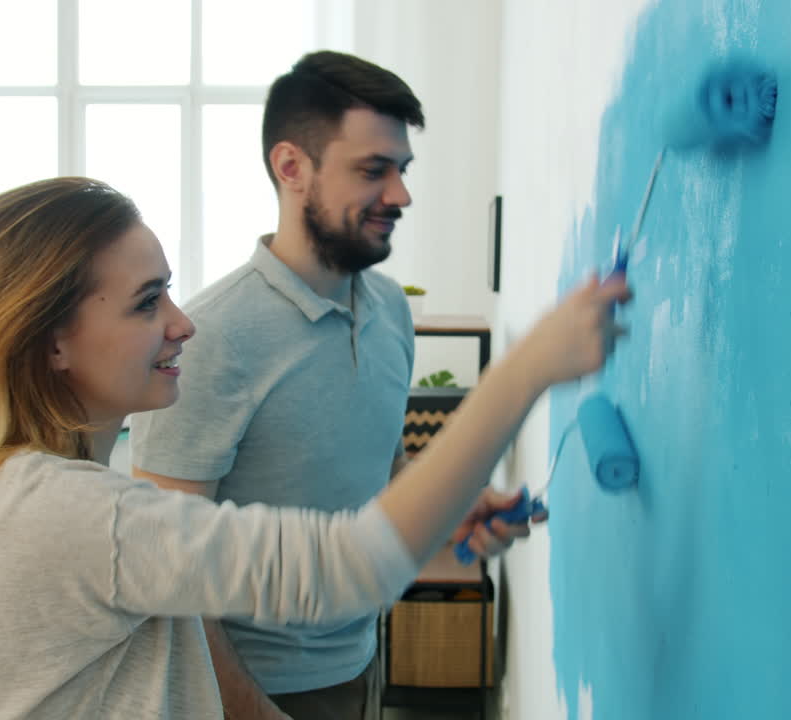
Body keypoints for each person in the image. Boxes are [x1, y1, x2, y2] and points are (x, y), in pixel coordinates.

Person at [0, 176, 631, 719]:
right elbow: (346, 567)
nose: (182, 323)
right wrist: (530, 367)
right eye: (145, 301)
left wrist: (438, 524)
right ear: (51, 341)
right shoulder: (68, 513)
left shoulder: (26, 489)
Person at [126, 50, 534, 719]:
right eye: (374, 170)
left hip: (358, 659)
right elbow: (168, 569)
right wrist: (249, 709)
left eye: (402, 170)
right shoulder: (210, 338)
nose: (400, 194)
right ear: (292, 168)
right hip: (250, 690)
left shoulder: (391, 311)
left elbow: (381, 467)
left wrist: (446, 509)